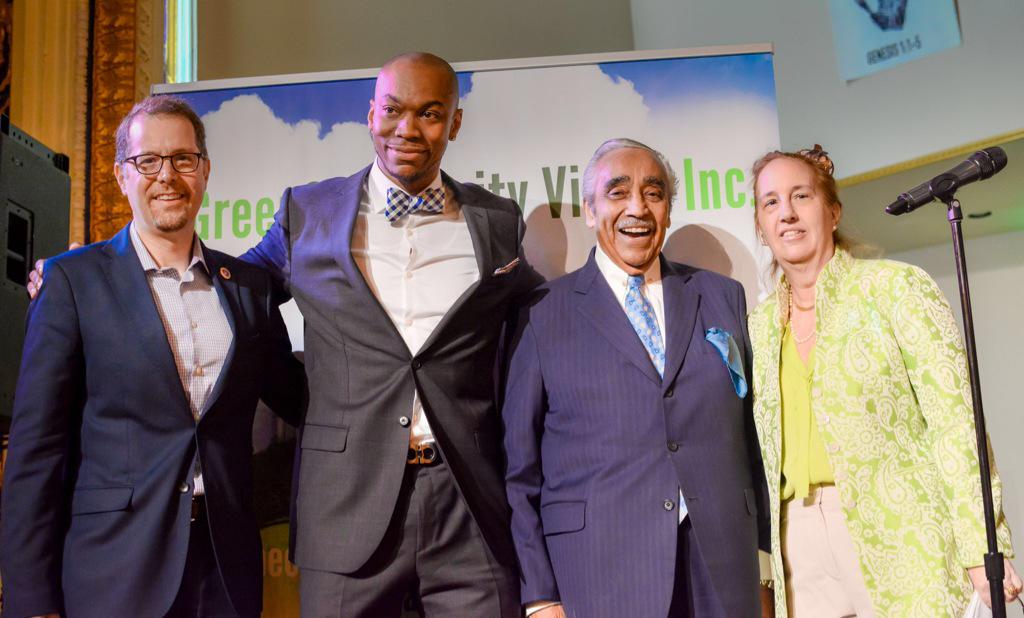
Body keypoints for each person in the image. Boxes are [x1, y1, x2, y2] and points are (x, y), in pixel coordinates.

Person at [242, 52, 542, 616]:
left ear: (454, 123)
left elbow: (544, 311)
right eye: (393, 110)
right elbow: (236, 290)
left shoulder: (497, 221)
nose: (406, 129)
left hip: (469, 507)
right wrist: (85, 279)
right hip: (346, 501)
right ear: (370, 113)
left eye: (429, 113)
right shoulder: (307, 212)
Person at [0, 96, 306, 618]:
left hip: (225, 570)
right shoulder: (73, 282)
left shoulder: (249, 290)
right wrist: (31, 599)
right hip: (111, 570)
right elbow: (37, 452)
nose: (168, 175)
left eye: (183, 159)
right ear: (123, 175)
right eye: (149, 161)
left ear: (204, 171)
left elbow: (305, 403)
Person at [748, 145, 1022, 617]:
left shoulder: (896, 289)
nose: (787, 214)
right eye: (771, 202)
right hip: (798, 539)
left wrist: (982, 542)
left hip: (901, 529)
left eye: (801, 196)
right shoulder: (759, 322)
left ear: (832, 211)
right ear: (760, 225)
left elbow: (957, 424)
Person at [501, 138, 771, 618]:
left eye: (654, 192)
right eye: (618, 192)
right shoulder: (541, 313)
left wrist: (766, 559)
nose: (637, 208)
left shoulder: (721, 296)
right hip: (600, 575)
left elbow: (751, 436)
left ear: (668, 208)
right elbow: (520, 470)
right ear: (589, 209)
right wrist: (540, 595)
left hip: (722, 569)